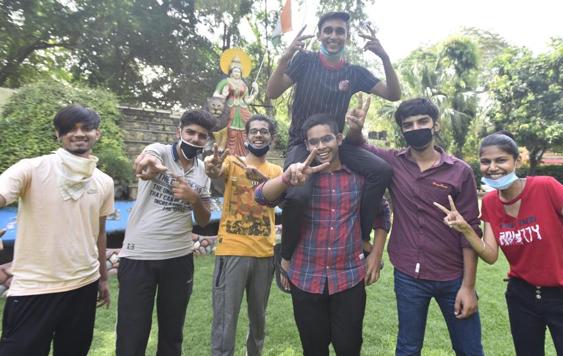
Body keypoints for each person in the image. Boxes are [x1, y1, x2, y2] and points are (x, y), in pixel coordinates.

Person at [433, 131, 563, 356]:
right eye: (486, 161)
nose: (492, 167)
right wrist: (466, 229)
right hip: (521, 298)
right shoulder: (491, 202)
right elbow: (491, 255)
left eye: (501, 160)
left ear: (517, 161)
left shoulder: (546, 187)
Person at [346, 97, 484, 355]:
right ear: (402, 129)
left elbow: (471, 231)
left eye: (422, 121)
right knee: (408, 347)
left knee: (469, 348)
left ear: (436, 125)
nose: (415, 128)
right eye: (408, 124)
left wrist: (468, 286)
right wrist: (355, 128)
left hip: (452, 275)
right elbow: (357, 145)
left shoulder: (460, 171)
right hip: (409, 274)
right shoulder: (392, 161)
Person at [266, 11, 400, 264]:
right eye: (328, 30)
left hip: (336, 144)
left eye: (340, 31)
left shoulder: (355, 73)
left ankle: (361, 234)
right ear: (319, 35)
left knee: (381, 170)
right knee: (297, 195)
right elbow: (272, 92)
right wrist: (285, 58)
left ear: (347, 38)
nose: (333, 36)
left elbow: (393, 94)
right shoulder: (304, 61)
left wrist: (384, 57)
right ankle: (285, 256)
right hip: (302, 143)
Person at [255, 114, 390, 355]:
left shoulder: (358, 177)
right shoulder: (299, 181)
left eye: (326, 139)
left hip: (348, 278)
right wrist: (286, 178)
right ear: (306, 145)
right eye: (313, 141)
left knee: (349, 348)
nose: (320, 146)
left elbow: (382, 214)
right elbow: (261, 197)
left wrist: (375, 254)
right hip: (306, 278)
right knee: (313, 349)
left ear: (339, 139)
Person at [0, 104, 114, 356]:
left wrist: (103, 278)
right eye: (70, 129)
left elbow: (100, 232)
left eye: (86, 128)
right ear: (58, 134)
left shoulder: (104, 182)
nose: (79, 133)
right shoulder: (31, 168)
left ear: (98, 134)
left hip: (84, 286)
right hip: (34, 288)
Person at [115, 110, 214, 356]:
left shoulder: (203, 171)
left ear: (207, 141)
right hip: (139, 256)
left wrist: (193, 199)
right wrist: (148, 164)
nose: (195, 139)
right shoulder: (159, 150)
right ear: (178, 131)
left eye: (202, 136)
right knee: (132, 333)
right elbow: (146, 159)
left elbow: (204, 220)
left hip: (179, 258)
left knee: (172, 334)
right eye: (190, 132)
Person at [204, 115, 282, 356]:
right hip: (232, 251)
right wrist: (212, 166)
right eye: (254, 131)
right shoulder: (232, 163)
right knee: (225, 319)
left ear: (272, 138)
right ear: (246, 136)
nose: (259, 135)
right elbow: (216, 172)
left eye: (264, 131)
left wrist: (263, 180)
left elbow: (281, 199)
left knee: (258, 319)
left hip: (264, 253)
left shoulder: (277, 170)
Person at [214, 55, 259, 156]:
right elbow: (215, 95)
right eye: (235, 71)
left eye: (239, 72)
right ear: (230, 72)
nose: (237, 73)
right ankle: (227, 153)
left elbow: (247, 100)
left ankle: (244, 154)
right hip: (230, 108)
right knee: (230, 130)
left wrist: (255, 92)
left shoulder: (243, 84)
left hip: (243, 110)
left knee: (244, 132)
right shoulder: (225, 82)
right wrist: (223, 95)